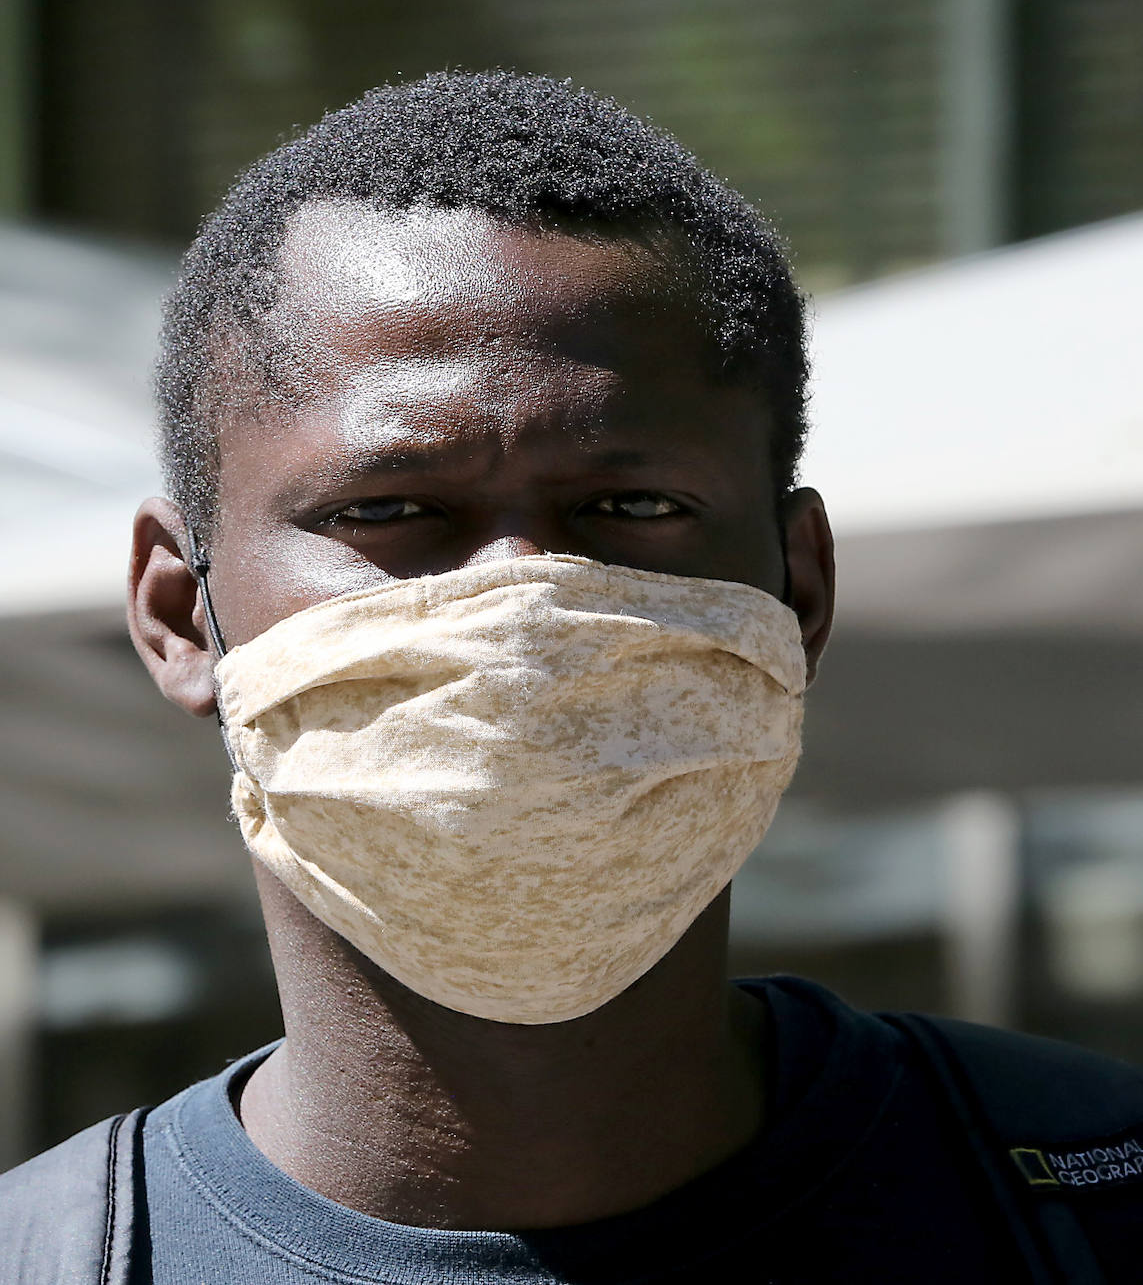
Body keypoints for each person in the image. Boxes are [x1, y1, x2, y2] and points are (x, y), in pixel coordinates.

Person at [3, 70, 1142, 1284]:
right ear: (181, 612)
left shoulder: (1093, 1205)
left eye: (633, 505)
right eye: (390, 510)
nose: (525, 605)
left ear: (798, 590)